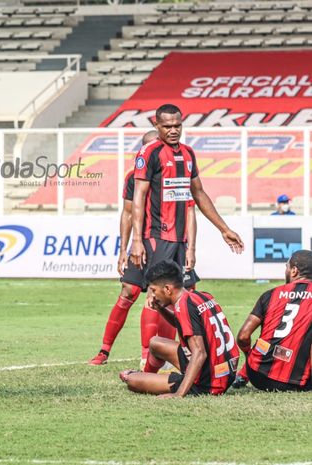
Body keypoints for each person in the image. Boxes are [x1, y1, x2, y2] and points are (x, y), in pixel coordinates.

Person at [130, 103, 244, 367]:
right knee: (156, 295)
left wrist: (223, 228)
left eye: (177, 125)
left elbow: (199, 193)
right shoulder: (149, 153)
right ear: (156, 125)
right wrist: (138, 240)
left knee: (186, 293)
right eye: (167, 126)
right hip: (158, 236)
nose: (173, 130)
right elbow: (139, 197)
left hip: (181, 240)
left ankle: (183, 352)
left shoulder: (189, 153)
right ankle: (147, 357)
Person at [89, 130, 199, 366]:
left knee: (178, 296)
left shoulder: (178, 173)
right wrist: (124, 249)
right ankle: (105, 350)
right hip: (143, 242)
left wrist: (191, 247)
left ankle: (170, 354)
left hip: (172, 243)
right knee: (129, 291)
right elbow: (128, 213)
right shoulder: (133, 178)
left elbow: (190, 210)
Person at [119, 260, 239, 397]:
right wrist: (160, 308)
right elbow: (183, 324)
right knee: (155, 343)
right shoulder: (201, 296)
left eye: (153, 290)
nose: (152, 295)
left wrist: (179, 394)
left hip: (209, 381)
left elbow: (200, 353)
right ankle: (148, 375)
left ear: (168, 289)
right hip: (225, 371)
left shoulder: (183, 306)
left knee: (131, 380)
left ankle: (176, 382)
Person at [234, 250, 312, 392]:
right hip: (296, 382)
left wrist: (249, 356)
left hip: (257, 375)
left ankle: (242, 375)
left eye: (286, 267)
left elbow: (243, 336)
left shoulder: (270, 294)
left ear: (294, 271)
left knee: (265, 339)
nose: (286, 271)